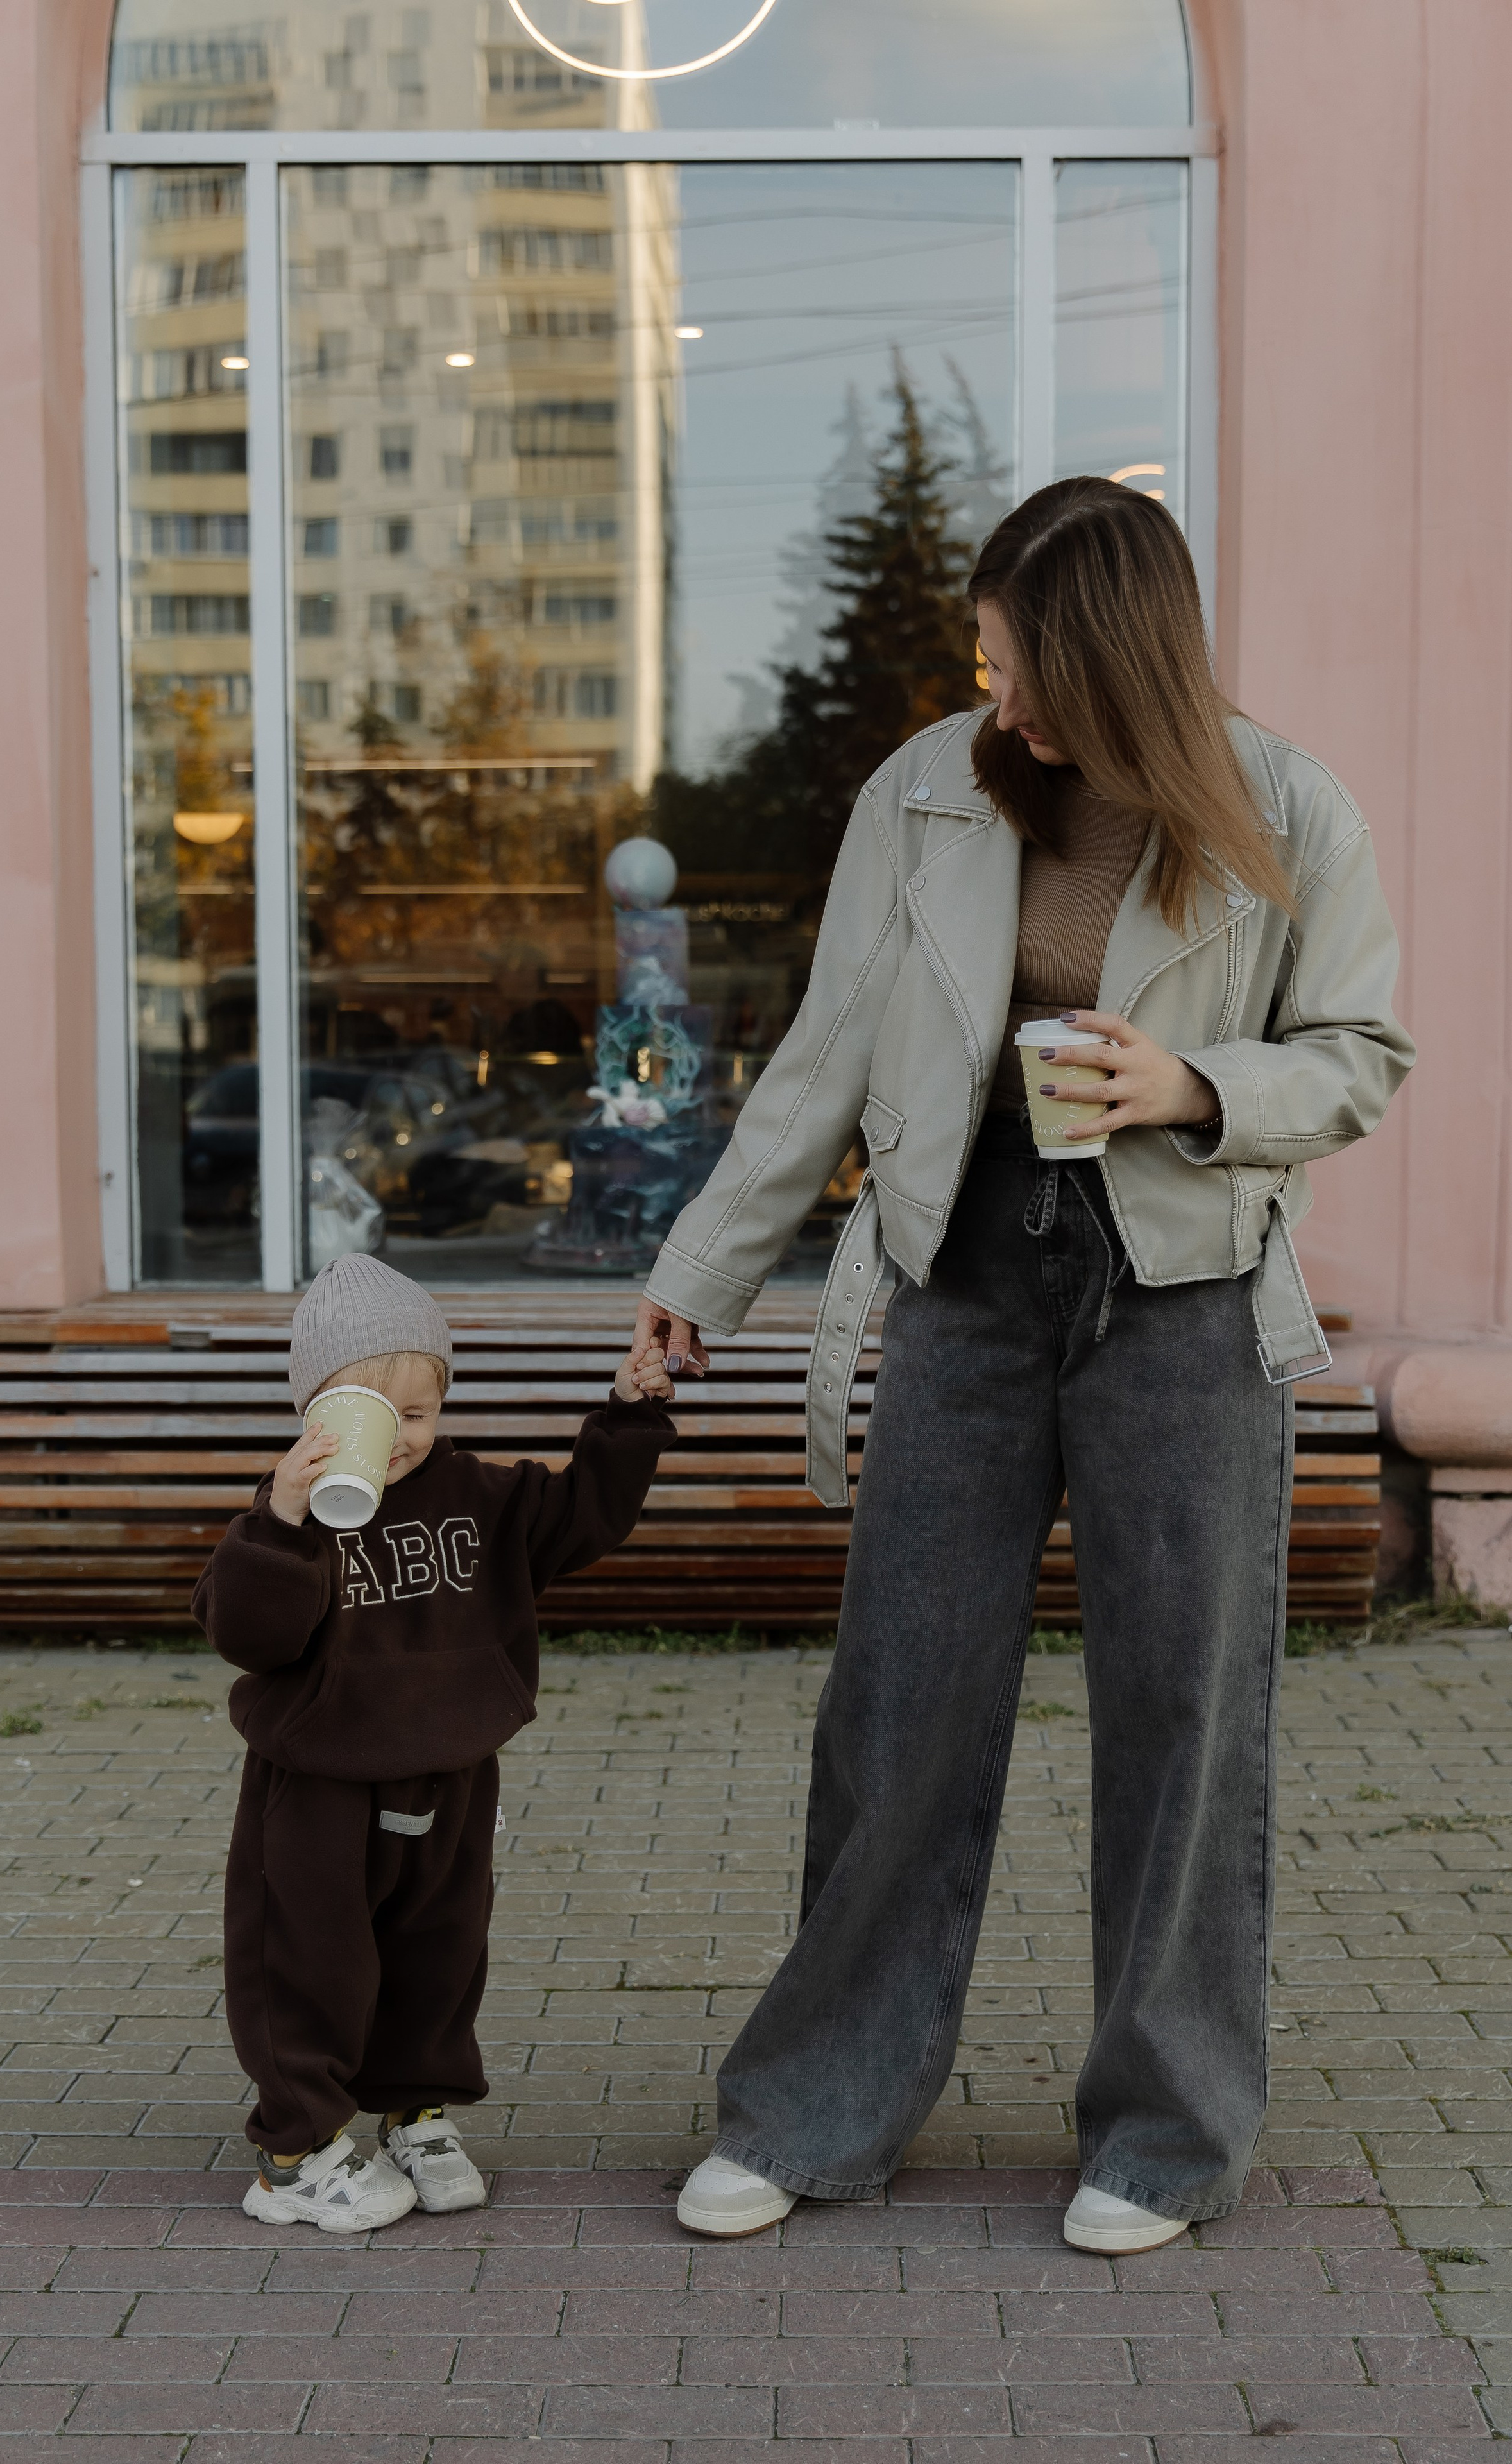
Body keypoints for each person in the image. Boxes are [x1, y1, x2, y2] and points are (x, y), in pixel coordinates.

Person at [631, 478, 1414, 2254]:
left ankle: (1166, 2133)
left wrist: (1197, 1088)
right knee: (900, 1701)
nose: (1000, 705)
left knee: (1184, 1722)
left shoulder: (1287, 809)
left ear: (1123, 660)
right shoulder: (920, 793)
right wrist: (705, 1273)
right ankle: (816, 2106)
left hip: (1187, 1283)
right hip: (968, 1265)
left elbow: (1363, 1053)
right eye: (984, 662)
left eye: (1025, 668)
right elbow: (827, 1052)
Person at [195, 1253, 676, 2232]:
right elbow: (245, 1635)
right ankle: (296, 2154)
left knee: (440, 1953)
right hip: (322, 1785)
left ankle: (415, 2115)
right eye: (365, 1414)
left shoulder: (483, 1498)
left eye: (416, 1415)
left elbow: (587, 1513)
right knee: (310, 1961)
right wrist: (283, 1517)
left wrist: (625, 1414)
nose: (398, 1439)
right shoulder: (288, 1516)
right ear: (307, 1414)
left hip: (452, 1771)